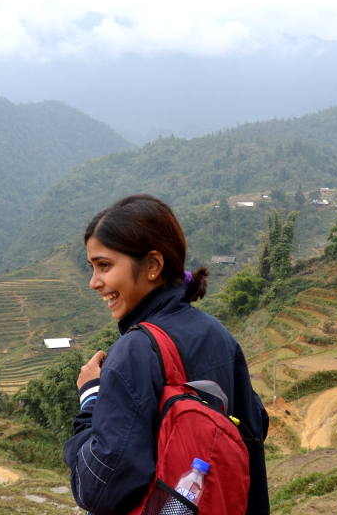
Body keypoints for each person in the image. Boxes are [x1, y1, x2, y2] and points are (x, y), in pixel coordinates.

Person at [64, 194, 269, 514]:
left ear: (153, 266)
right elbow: (254, 431)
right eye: (92, 267)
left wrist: (91, 397)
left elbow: (96, 488)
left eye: (104, 265)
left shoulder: (134, 352)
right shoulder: (218, 334)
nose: (94, 282)